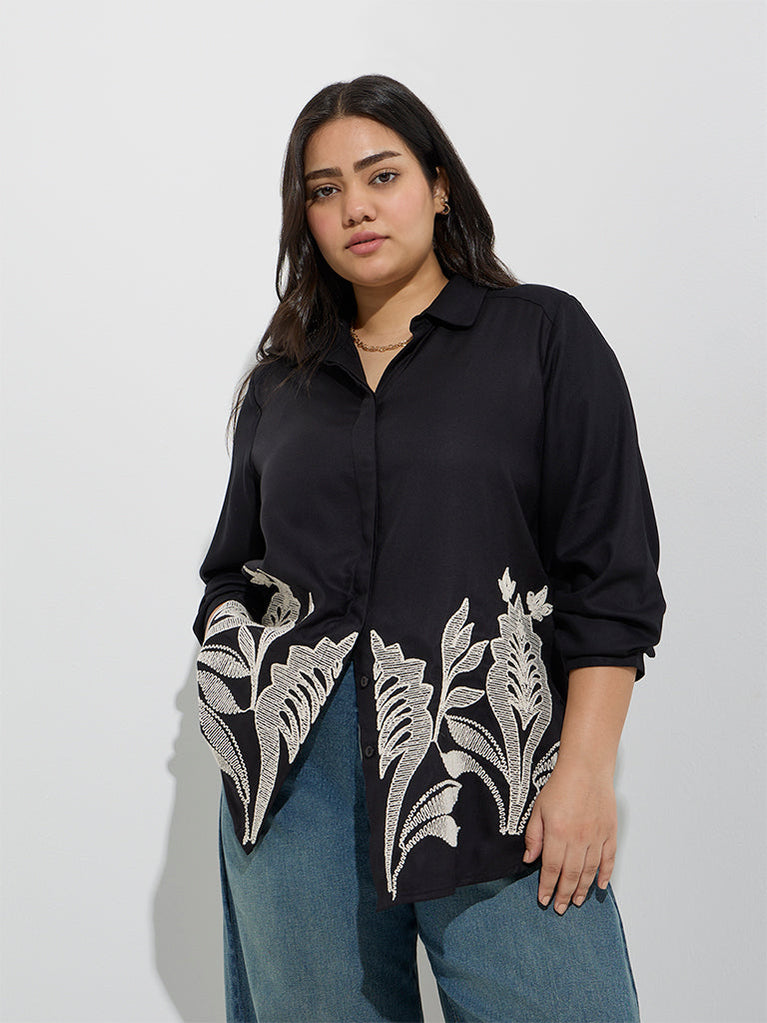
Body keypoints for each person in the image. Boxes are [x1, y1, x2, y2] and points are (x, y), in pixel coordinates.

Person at [192, 73, 666, 1023]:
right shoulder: (282, 384)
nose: (355, 208)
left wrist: (583, 770)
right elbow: (232, 573)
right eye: (324, 190)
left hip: (493, 768)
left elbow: (610, 574)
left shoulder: (542, 338)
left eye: (382, 175)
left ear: (439, 185)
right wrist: (240, 700)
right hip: (298, 785)